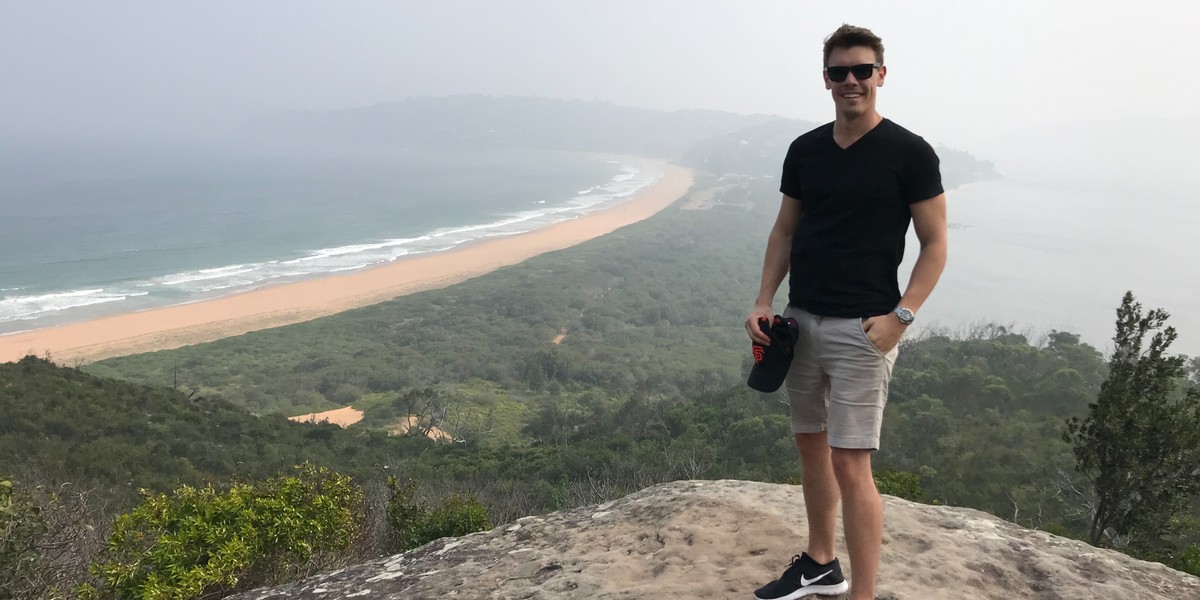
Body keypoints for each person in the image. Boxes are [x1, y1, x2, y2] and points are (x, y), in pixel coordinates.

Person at [745, 24, 948, 600]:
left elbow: (935, 244)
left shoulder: (910, 153)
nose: (851, 81)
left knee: (851, 463)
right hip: (801, 320)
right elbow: (785, 229)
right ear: (826, 79)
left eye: (862, 70)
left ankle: (862, 594)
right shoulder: (805, 150)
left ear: (881, 75)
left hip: (866, 329)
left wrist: (900, 319)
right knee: (811, 444)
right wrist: (764, 300)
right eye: (840, 72)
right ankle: (820, 562)